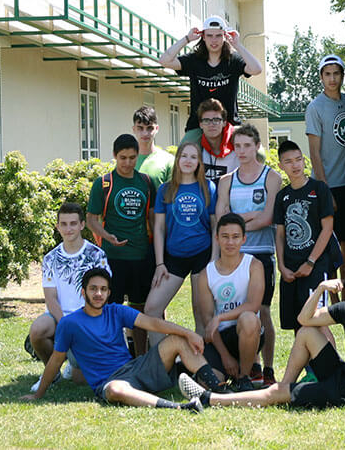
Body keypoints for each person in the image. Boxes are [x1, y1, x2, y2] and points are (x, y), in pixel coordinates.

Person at [178, 263, 345, 410]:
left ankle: (209, 399)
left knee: (273, 395)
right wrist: (319, 289)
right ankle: (284, 387)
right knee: (307, 332)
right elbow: (305, 320)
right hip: (342, 375)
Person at [22, 267, 218, 410]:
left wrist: (188, 333)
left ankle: (217, 391)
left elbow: (153, 324)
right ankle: (179, 407)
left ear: (108, 293)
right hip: (109, 382)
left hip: (135, 369)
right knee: (115, 390)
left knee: (177, 341)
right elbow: (56, 361)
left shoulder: (115, 311)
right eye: (93, 289)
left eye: (103, 289)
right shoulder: (69, 324)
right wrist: (39, 394)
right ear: (83, 292)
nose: (98, 294)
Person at [216, 123, 282, 386]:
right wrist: (247, 219)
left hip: (262, 253)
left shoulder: (271, 177)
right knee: (241, 311)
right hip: (234, 256)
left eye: (247, 145)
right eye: (237, 146)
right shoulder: (226, 180)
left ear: (257, 146)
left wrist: (236, 225)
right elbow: (221, 219)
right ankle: (249, 366)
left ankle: (267, 368)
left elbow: (267, 218)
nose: (242, 151)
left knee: (263, 310)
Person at [26, 203, 110, 390]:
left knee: (81, 381)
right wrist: (65, 323)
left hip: (87, 318)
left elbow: (102, 295)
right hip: (59, 318)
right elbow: (51, 298)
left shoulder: (97, 255)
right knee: (38, 329)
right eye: (63, 224)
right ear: (57, 227)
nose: (68, 228)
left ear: (82, 225)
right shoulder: (50, 258)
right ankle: (52, 371)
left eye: (73, 223)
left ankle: (74, 365)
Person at [86, 134, 156, 356]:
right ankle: (114, 354)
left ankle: (141, 355)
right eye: (123, 158)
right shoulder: (104, 183)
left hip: (141, 256)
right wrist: (107, 237)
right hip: (113, 257)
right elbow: (91, 219)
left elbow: (153, 218)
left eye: (132, 158)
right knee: (110, 309)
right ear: (115, 156)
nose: (127, 163)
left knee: (140, 309)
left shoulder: (145, 182)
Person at [142, 139, 217, 346]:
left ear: (199, 162)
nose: (188, 160)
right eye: (184, 156)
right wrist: (159, 264)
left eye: (193, 157)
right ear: (177, 160)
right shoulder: (166, 190)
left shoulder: (208, 187)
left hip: (202, 255)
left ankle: (201, 367)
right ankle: (162, 361)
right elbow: (158, 228)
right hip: (173, 257)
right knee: (152, 309)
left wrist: (213, 260)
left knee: (200, 313)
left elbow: (215, 226)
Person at [273, 140, 337, 348]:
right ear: (281, 165)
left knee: (317, 319)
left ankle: (334, 372)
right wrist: (282, 266)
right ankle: (309, 370)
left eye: (299, 159)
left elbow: (327, 228)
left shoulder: (319, 189)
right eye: (289, 161)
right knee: (297, 323)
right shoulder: (282, 196)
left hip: (316, 265)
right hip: (291, 268)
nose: (295, 165)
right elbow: (280, 234)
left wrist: (310, 262)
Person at [158, 15, 262, 139]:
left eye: (218, 36)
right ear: (203, 37)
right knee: (185, 154)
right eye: (209, 36)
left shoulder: (233, 60)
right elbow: (164, 60)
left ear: (224, 36)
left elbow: (257, 69)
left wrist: (237, 45)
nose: (214, 40)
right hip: (198, 126)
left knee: (258, 153)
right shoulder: (194, 60)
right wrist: (187, 38)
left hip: (230, 125)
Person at [195, 213, 265, 391]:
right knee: (208, 383)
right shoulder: (206, 274)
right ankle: (227, 373)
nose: (230, 242)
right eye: (225, 237)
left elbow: (253, 306)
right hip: (219, 338)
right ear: (217, 238)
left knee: (248, 318)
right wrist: (225, 357)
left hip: (248, 331)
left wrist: (220, 318)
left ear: (243, 239)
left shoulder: (254, 265)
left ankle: (244, 377)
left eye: (235, 237)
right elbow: (208, 320)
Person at [305, 54, 345, 290]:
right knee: (328, 247)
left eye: (336, 73)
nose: (332, 78)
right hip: (327, 186)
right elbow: (314, 153)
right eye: (327, 74)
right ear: (321, 77)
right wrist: (325, 189)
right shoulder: (315, 108)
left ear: (342, 76)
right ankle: (333, 304)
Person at [196, 98, 239, 183]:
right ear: (200, 124)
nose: (211, 124)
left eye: (216, 120)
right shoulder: (196, 150)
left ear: (224, 123)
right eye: (206, 120)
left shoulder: (238, 149)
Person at [132, 105, 175, 189]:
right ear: (134, 129)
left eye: (149, 128)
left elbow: (172, 196)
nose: (145, 133)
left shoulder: (168, 161)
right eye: (140, 128)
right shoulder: (126, 160)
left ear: (157, 129)